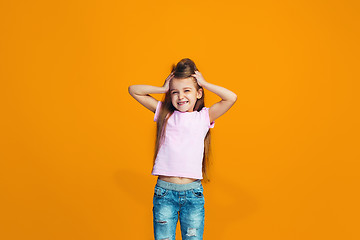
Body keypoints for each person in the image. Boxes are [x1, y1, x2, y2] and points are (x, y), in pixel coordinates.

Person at [128, 58, 237, 240]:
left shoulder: (203, 117)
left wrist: (204, 83)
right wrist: (162, 89)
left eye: (187, 91)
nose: (181, 96)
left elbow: (231, 97)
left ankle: (186, 88)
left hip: (193, 193)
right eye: (175, 92)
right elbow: (134, 90)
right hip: (164, 192)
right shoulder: (166, 113)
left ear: (198, 93)